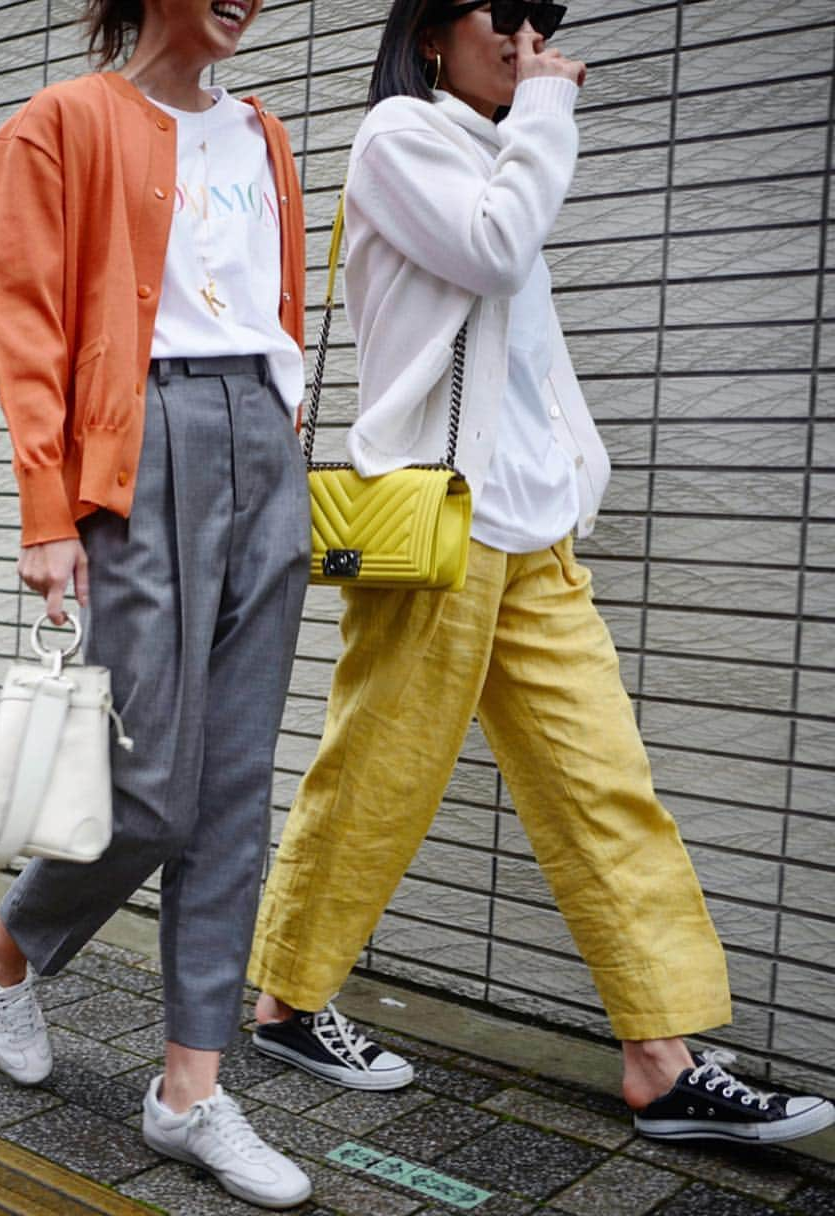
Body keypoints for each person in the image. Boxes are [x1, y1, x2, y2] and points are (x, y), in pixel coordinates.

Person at [246, 0, 835, 1146]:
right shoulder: (401, 140)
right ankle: (285, 1001)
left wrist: (577, 471)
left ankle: (662, 1063)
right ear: (428, 34)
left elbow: (528, 351)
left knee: (604, 781)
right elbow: (494, 247)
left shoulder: (502, 151)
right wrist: (552, 105)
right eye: (501, 13)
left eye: (543, 19)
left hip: (532, 536)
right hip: (438, 530)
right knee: (377, 777)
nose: (527, 36)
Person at [0, 0, 314, 1206]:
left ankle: (190, 1090)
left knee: (233, 786)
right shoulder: (60, 124)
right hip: (141, 442)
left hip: (265, 439)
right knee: (150, 781)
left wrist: (283, 434)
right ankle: (6, 943)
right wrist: (47, 514)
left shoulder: (264, 134)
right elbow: (29, 326)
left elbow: (277, 310)